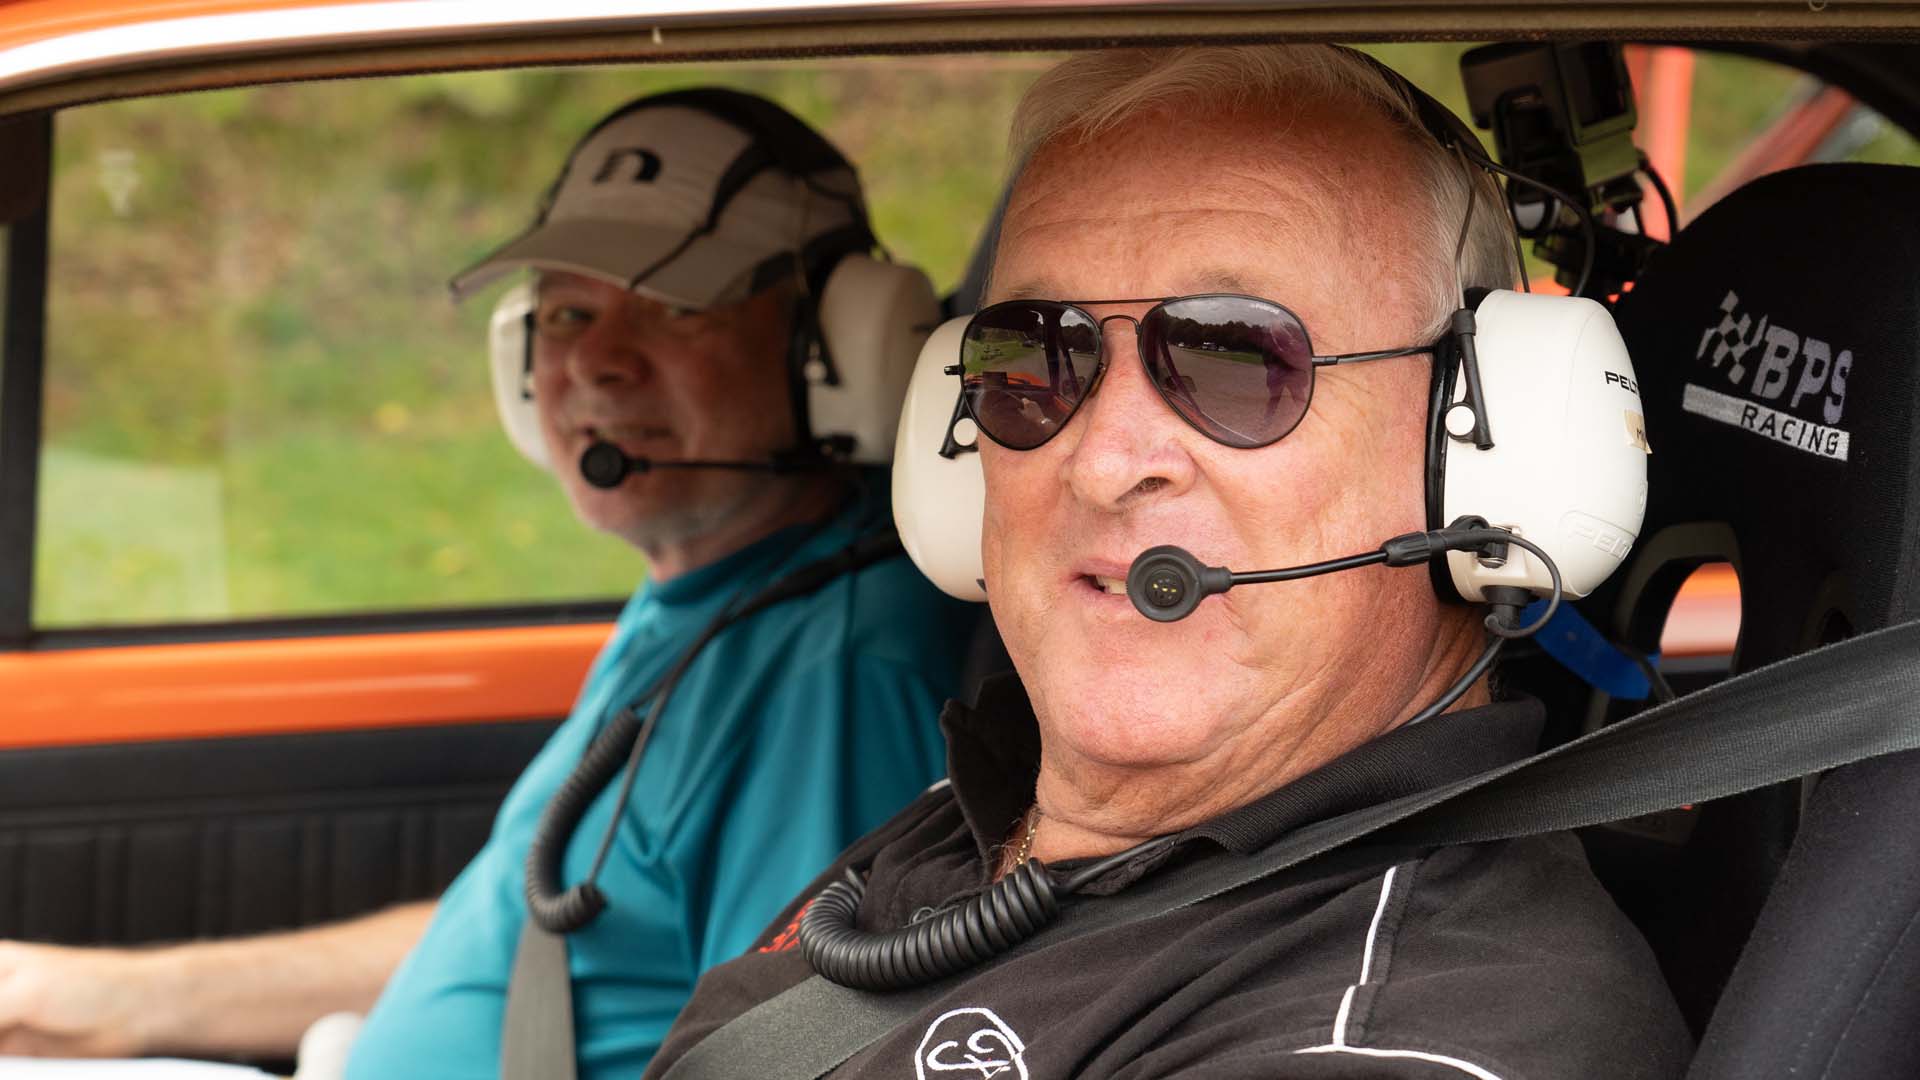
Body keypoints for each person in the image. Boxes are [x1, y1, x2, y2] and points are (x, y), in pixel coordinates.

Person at [644, 46, 1691, 1079]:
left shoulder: (1399, 1037)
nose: (1103, 463)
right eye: (1034, 356)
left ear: (1477, 447)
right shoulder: (982, 818)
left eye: (1238, 356)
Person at [0, 89, 974, 1078]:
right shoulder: (723, 596)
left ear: (839, 348)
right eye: (568, 312)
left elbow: (793, 1050)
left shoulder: (838, 667)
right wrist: (105, 1000)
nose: (596, 361)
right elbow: (542, 925)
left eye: (677, 306)